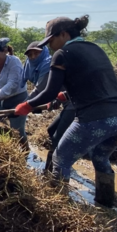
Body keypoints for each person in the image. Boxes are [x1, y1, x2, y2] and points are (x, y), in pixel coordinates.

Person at [14, 15, 117, 207]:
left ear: (63, 34)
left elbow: (49, 91)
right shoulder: (95, 48)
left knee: (61, 157)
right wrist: (65, 96)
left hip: (95, 119)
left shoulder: (63, 53)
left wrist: (27, 106)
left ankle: (56, 206)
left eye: (51, 40)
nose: (50, 45)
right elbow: (94, 82)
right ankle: (105, 203)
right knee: (100, 157)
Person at [22, 42, 75, 173]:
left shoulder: (49, 64)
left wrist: (24, 105)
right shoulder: (31, 66)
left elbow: (42, 90)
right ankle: (56, 165)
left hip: (75, 104)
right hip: (65, 103)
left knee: (57, 137)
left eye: (36, 53)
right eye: (30, 54)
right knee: (52, 130)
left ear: (44, 52)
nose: (33, 57)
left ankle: (55, 172)